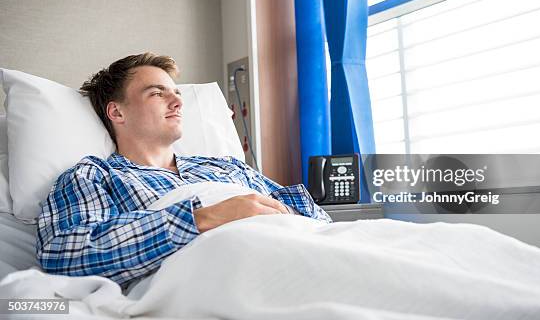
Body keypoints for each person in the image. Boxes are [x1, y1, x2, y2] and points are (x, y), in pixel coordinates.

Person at [36, 53, 331, 289]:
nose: (177, 102)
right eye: (157, 93)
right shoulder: (94, 176)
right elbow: (66, 255)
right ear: (117, 112)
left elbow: (318, 220)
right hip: (231, 274)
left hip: (304, 252)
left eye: (177, 93)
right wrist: (202, 217)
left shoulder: (226, 166)